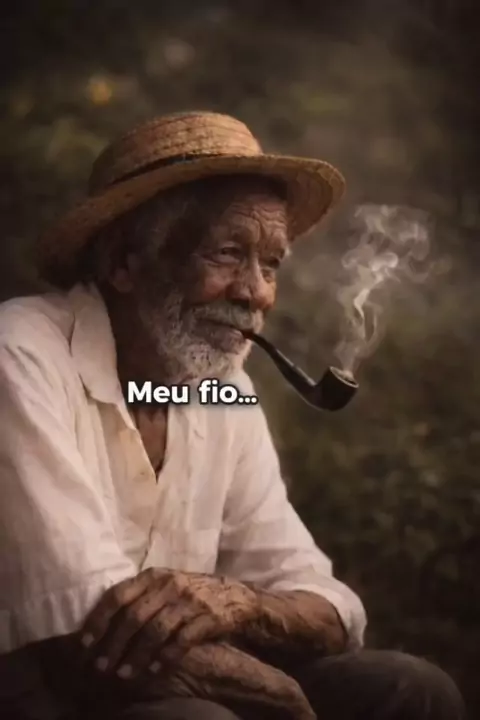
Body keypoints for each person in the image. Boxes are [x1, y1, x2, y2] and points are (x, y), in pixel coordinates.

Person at [0, 111, 465, 720]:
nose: (256, 293)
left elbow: (324, 601)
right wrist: (286, 700)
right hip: (41, 684)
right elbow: (83, 627)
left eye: (270, 264)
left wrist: (242, 603)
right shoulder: (22, 354)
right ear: (124, 264)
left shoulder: (223, 394)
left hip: (162, 678)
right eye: (227, 254)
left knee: (413, 689)